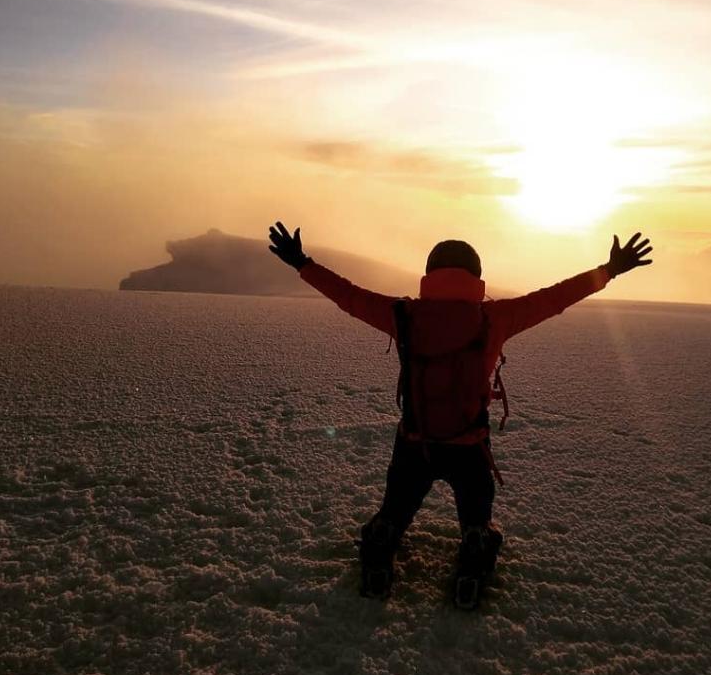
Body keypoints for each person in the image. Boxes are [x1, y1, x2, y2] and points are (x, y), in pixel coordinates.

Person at [268, 221, 653, 607]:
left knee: (396, 510)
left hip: (414, 444)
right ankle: (474, 546)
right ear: (476, 277)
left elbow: (348, 296)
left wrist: (301, 263)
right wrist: (609, 271)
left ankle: (383, 541)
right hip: (469, 447)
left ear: (430, 274)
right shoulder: (495, 318)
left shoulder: (402, 315)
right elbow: (553, 298)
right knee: (476, 515)